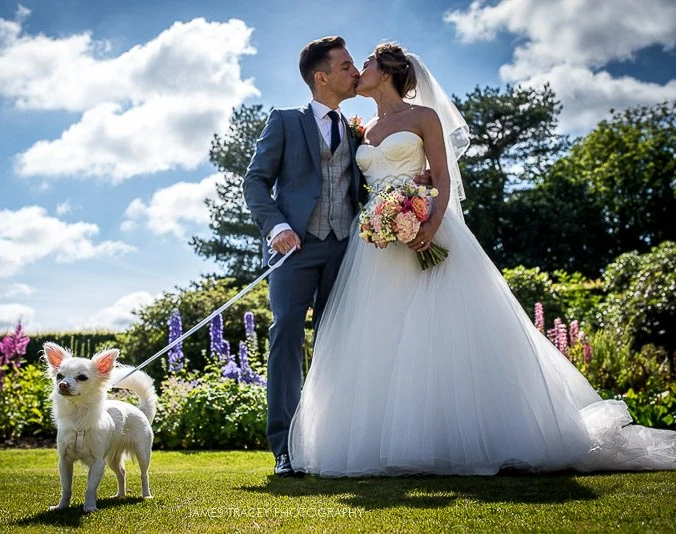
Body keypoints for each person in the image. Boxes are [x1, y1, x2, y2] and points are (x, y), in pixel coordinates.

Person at [287, 42, 676, 476]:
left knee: (442, 333)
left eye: (368, 63)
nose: (360, 70)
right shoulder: (364, 129)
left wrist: (426, 224)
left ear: (391, 71)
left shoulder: (423, 118)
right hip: (376, 245)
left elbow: (442, 177)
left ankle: (472, 438)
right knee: (380, 338)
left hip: (426, 230)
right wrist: (385, 218)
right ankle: (385, 442)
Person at [242, 36, 364, 477]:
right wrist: (276, 226)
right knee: (286, 337)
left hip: (345, 248)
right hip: (293, 250)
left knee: (338, 343)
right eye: (347, 66)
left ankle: (333, 441)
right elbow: (254, 183)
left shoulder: (355, 130)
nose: (355, 72)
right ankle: (285, 448)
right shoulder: (285, 121)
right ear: (322, 76)